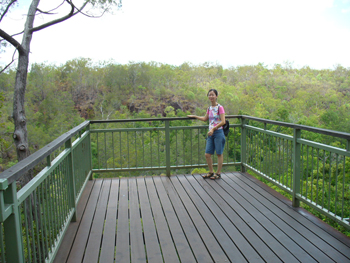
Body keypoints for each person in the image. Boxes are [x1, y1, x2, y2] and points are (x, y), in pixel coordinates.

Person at [188, 89, 226, 179]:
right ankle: (211, 172)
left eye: (213, 95)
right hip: (210, 133)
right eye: (210, 95)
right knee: (207, 154)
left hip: (218, 132)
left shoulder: (220, 107)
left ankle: (218, 173)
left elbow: (223, 121)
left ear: (216, 96)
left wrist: (213, 128)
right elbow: (205, 118)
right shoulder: (209, 108)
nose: (211, 96)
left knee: (219, 154)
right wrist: (195, 116)